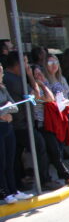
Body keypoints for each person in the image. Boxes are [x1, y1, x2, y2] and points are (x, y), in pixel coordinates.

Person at [0, 64, 34, 203]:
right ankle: (5, 192)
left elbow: (14, 106)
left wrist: (4, 111)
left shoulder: (3, 88)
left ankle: (13, 190)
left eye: (1, 72)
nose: (1, 75)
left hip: (8, 127)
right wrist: (3, 113)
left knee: (10, 161)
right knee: (1, 163)